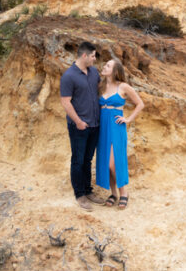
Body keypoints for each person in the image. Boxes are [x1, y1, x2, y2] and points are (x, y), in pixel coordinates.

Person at [95, 57, 144, 210]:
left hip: (116, 126)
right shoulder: (100, 86)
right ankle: (113, 193)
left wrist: (128, 119)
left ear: (115, 70)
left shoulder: (123, 87)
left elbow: (140, 104)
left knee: (113, 162)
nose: (104, 66)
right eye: (105, 64)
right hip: (102, 125)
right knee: (105, 163)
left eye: (108, 65)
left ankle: (124, 193)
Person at [59, 41, 103, 210]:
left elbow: (99, 90)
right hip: (79, 126)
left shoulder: (94, 72)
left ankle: (88, 190)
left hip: (94, 125)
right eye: (93, 56)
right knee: (77, 160)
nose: (94, 59)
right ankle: (80, 195)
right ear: (84, 55)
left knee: (88, 159)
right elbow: (65, 102)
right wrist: (78, 121)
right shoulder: (69, 76)